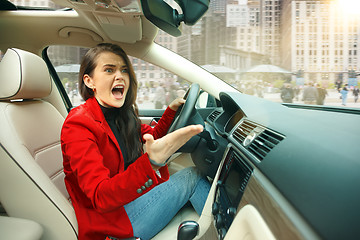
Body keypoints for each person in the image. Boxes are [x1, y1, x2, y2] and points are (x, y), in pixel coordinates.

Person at [61, 43, 210, 240]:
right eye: (109, 70)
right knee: (194, 176)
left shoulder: (121, 114)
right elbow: (100, 196)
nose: (120, 75)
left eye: (123, 70)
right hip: (111, 223)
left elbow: (153, 137)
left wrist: (171, 111)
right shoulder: (79, 124)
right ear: (89, 82)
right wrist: (151, 163)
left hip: (127, 202)